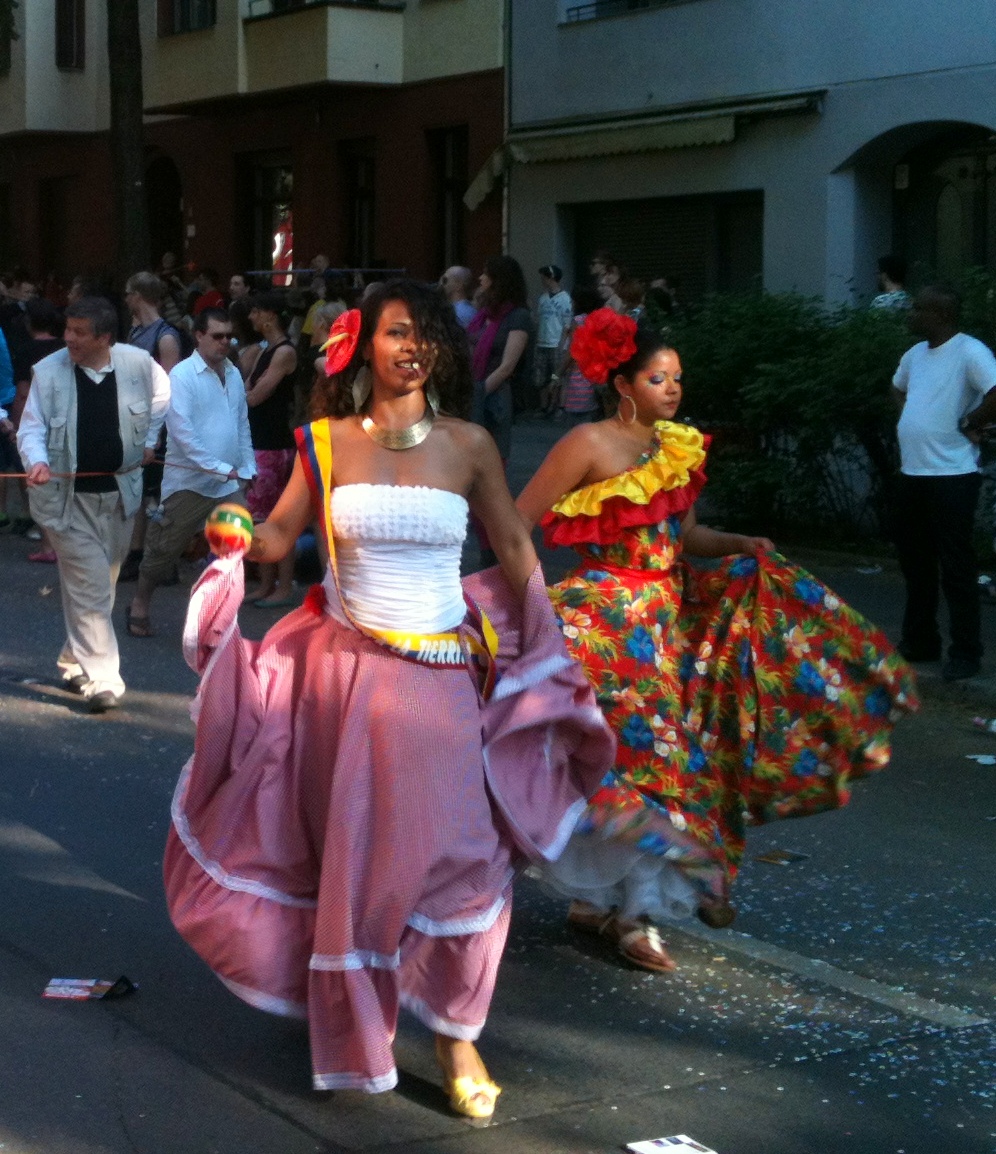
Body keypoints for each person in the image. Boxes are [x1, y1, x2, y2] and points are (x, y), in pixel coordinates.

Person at [163, 279, 612, 1112]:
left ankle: (454, 1033)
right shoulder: (324, 441)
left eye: (427, 336)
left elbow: (513, 542)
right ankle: (357, 1027)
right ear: (364, 343)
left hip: (442, 675)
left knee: (465, 854)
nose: (413, 347)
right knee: (361, 860)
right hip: (344, 679)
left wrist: (545, 646)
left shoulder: (471, 442)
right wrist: (235, 529)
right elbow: (278, 535)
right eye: (398, 333)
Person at [516, 308, 917, 972]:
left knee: (657, 761)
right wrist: (517, 604)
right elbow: (517, 520)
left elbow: (688, 538)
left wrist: (737, 544)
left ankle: (610, 903)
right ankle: (629, 911)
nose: (672, 388)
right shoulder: (584, 444)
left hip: (666, 621)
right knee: (629, 762)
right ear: (623, 384)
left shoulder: (677, 445)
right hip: (603, 627)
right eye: (656, 377)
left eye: (677, 378)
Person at [17, 297, 170, 713]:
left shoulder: (139, 364)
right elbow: (31, 428)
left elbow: (162, 395)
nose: (68, 338)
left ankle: (73, 658)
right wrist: (39, 461)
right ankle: (103, 678)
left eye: (79, 332)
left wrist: (151, 440)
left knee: (99, 582)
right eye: (67, 329)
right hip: (66, 501)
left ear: (105, 338)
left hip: (120, 495)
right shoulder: (49, 373)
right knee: (90, 583)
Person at [125, 308, 255, 637]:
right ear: (198, 335)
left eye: (230, 336)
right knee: (161, 553)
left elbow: (241, 424)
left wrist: (248, 467)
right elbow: (184, 436)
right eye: (217, 336)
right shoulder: (181, 377)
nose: (225, 342)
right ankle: (140, 603)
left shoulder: (235, 374)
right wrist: (222, 468)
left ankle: (218, 617)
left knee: (235, 550)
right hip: (189, 484)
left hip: (228, 485)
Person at [892, 285, 996, 680]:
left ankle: (966, 652)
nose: (911, 313)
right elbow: (896, 387)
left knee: (955, 566)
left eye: (918, 308)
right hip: (913, 474)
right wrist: (910, 417)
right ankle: (920, 640)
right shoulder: (914, 355)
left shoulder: (970, 351)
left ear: (940, 315)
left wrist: (972, 422)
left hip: (953, 475)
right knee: (916, 563)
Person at [244, 290, 298, 606]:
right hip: (260, 440)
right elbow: (250, 385)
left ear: (269, 315)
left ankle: (283, 585)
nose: (250, 318)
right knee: (258, 516)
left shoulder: (284, 353)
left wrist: (249, 387)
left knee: (274, 517)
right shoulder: (267, 348)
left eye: (255, 312)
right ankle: (266, 583)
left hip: (274, 444)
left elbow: (254, 394)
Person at [535, 265, 573, 415]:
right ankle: (544, 406)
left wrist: (561, 344)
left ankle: (557, 406)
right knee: (540, 376)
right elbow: (538, 320)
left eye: (544, 277)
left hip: (556, 342)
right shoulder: (543, 298)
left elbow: (567, 324)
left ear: (550, 277)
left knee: (556, 375)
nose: (542, 280)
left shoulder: (565, 299)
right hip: (541, 342)